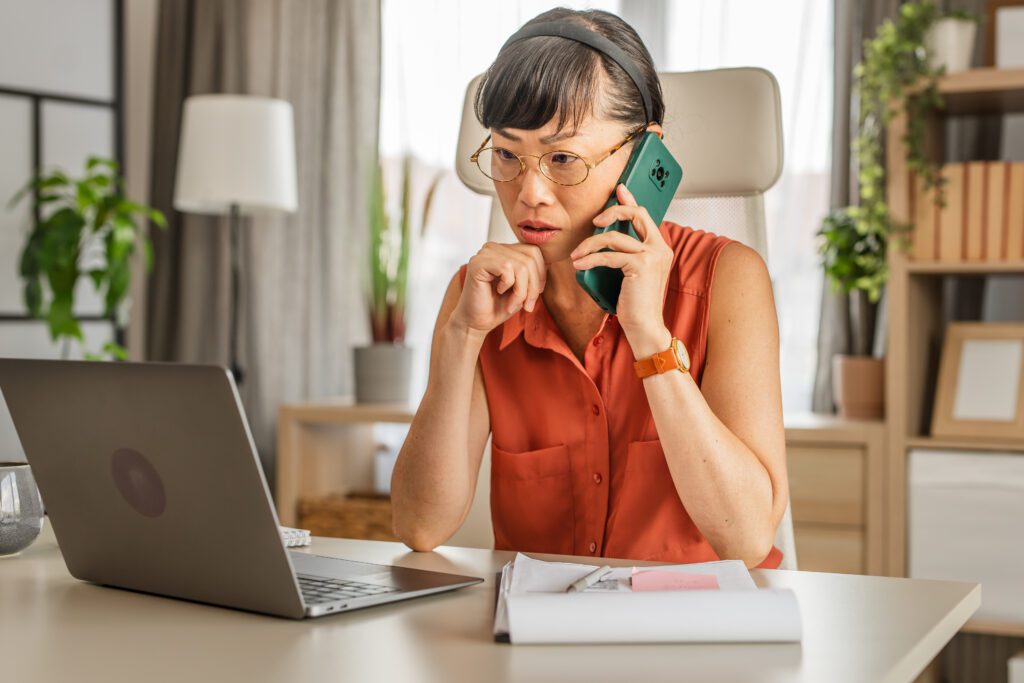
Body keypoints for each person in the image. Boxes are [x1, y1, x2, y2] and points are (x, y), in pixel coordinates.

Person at [391, 8, 787, 569]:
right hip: (537, 641)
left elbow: (746, 539)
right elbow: (420, 525)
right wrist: (462, 337)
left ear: (642, 152)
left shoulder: (727, 280)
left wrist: (649, 337)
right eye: (506, 154)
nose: (529, 193)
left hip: (696, 638)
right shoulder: (478, 297)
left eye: (562, 159)